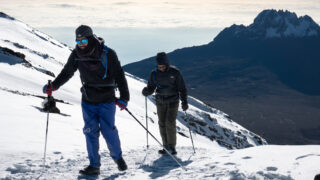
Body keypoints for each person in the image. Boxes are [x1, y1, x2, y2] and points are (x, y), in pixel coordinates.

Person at [42, 25, 129, 175]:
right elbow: (67, 71)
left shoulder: (108, 53)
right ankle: (94, 166)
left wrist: (124, 98)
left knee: (108, 131)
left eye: (83, 40)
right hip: (88, 99)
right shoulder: (76, 54)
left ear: (90, 38)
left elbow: (119, 75)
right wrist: (54, 86)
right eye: (78, 41)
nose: (80, 44)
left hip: (107, 98)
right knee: (90, 132)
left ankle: (118, 157)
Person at [142, 52, 188, 155]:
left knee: (169, 122)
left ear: (167, 64)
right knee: (162, 123)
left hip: (173, 101)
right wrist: (146, 91)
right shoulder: (154, 74)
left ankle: (172, 147)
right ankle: (165, 146)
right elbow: (151, 87)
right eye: (159, 66)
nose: (161, 68)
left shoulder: (175, 72)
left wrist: (184, 101)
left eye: (163, 66)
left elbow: (182, 88)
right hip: (160, 101)